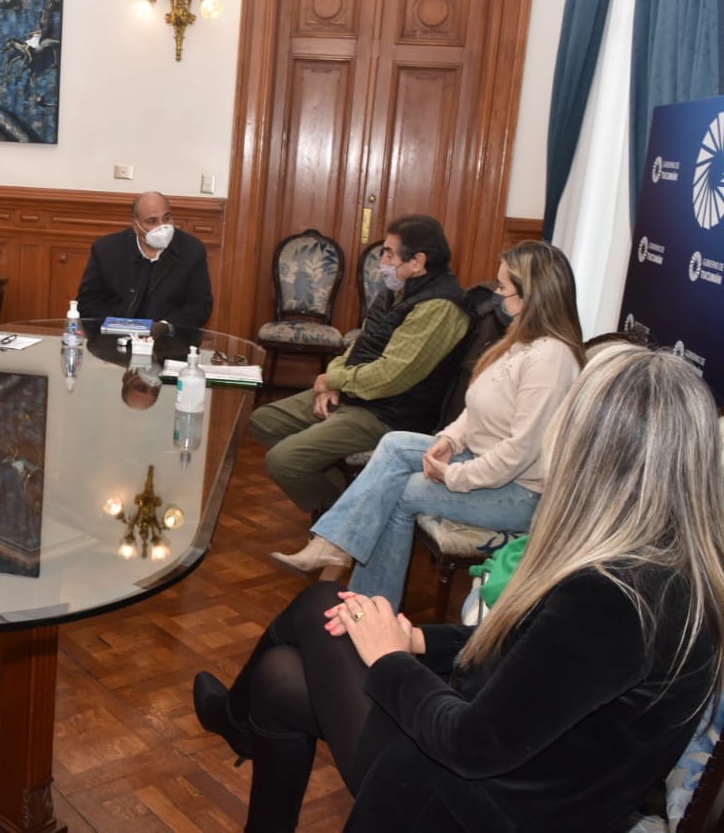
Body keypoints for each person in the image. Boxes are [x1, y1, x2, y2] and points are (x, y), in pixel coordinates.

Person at [193, 345, 724, 832]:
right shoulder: (662, 570)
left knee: (318, 610)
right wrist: (419, 640)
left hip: (473, 806)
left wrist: (389, 659)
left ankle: (236, 720)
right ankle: (240, 722)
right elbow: (533, 657)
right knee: (281, 680)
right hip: (511, 778)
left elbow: (471, 746)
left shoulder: (614, 598)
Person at [272, 241, 586, 602]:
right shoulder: (521, 342)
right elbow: (476, 409)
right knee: (394, 445)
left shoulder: (550, 360)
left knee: (400, 492)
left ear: (532, 295)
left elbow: (521, 451)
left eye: (503, 288)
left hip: (520, 493)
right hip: (484, 462)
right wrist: (450, 440)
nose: (497, 296)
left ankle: (368, 602)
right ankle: (336, 549)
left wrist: (455, 475)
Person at [249, 215, 470, 517]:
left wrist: (334, 381)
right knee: (264, 421)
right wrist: (332, 380)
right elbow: (361, 343)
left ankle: (344, 518)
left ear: (417, 261)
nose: (382, 261)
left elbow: (391, 376)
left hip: (388, 413)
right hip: (356, 393)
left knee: (283, 461)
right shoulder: (399, 289)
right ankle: (347, 499)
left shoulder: (440, 306)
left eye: (389, 253)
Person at [75, 191, 213, 332]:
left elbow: (200, 306)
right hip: (114, 336)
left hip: (168, 340)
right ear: (136, 226)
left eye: (166, 218)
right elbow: (88, 302)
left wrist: (165, 327)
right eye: (152, 221)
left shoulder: (192, 250)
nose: (162, 227)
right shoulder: (106, 249)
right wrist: (116, 327)